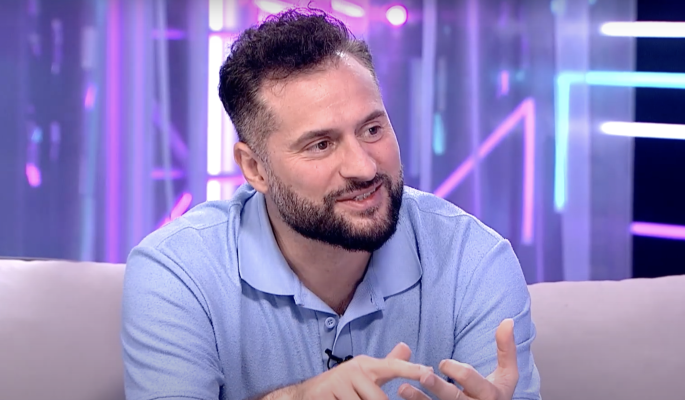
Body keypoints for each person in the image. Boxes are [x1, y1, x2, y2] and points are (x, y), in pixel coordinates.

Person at [121, 7, 541, 400]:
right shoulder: (179, 272)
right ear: (255, 168)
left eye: (372, 130)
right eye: (321, 144)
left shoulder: (475, 261)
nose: (363, 167)